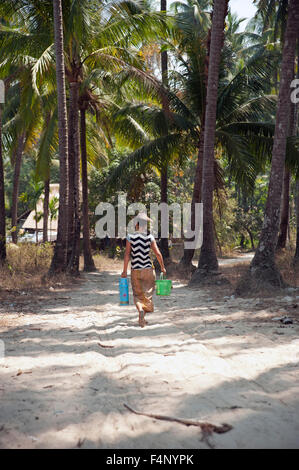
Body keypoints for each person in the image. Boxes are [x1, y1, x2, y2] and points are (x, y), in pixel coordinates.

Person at [121, 213, 166, 327]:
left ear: (136, 224)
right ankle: (143, 316)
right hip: (148, 269)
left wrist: (124, 271)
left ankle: (140, 310)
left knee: (137, 295)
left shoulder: (130, 237)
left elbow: (127, 254)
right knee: (147, 295)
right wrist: (162, 267)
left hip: (136, 269)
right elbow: (158, 254)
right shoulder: (149, 237)